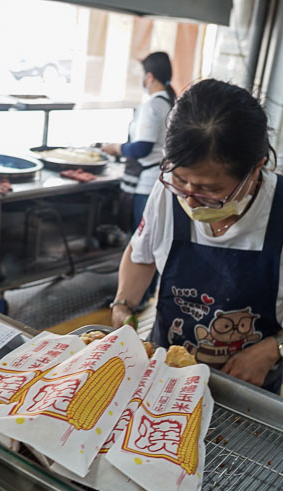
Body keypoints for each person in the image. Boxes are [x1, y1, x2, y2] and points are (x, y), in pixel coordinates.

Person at [110, 79, 283, 393]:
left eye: (210, 190)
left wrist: (274, 348)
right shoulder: (168, 192)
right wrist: (123, 304)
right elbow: (141, 254)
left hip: (244, 387)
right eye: (181, 180)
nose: (190, 198)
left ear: (256, 170)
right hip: (164, 374)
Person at [101, 52, 175, 304]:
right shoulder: (168, 102)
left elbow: (141, 147)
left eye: (143, 75)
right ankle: (142, 296)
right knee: (149, 242)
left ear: (150, 76)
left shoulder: (153, 105)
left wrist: (115, 148)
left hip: (147, 183)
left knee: (141, 243)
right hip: (157, 179)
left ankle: (135, 299)